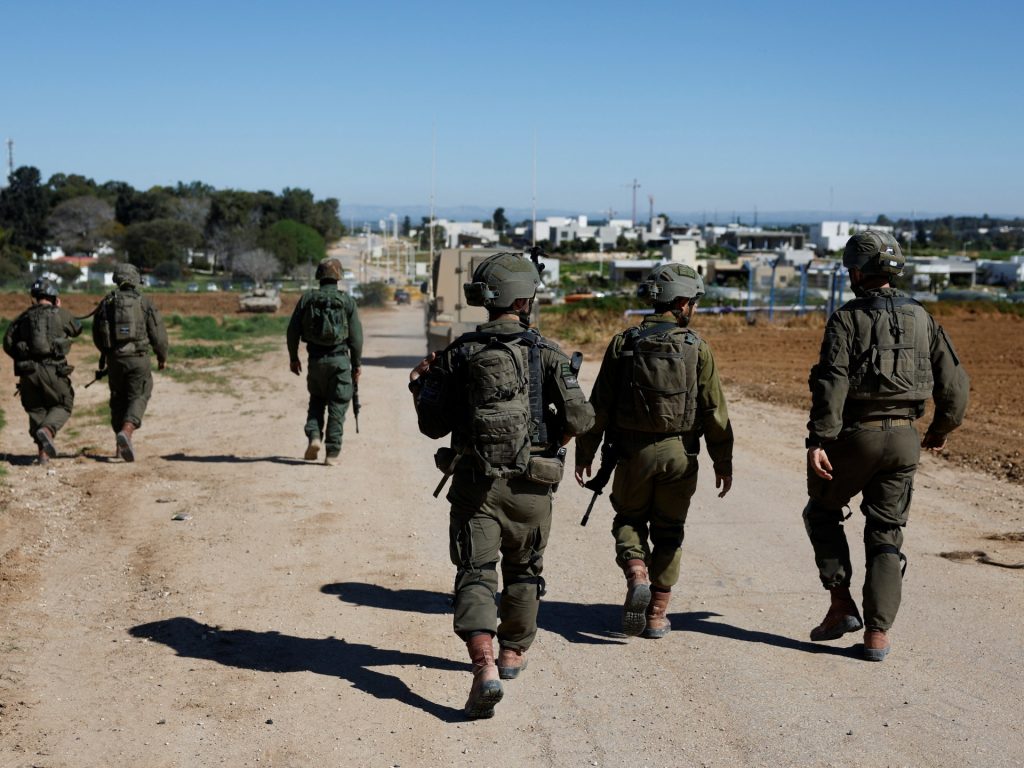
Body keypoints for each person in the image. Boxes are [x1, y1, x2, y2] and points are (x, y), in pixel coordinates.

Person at [409, 252, 594, 719]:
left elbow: (432, 426)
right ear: (525, 300)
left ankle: (484, 665)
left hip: (475, 485)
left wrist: (418, 385)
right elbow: (581, 417)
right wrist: (553, 444)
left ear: (484, 299)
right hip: (533, 487)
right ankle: (513, 653)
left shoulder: (458, 354)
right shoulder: (548, 353)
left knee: (475, 573)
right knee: (525, 569)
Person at [803, 230, 969, 661]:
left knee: (821, 512)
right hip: (906, 440)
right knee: (886, 534)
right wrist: (940, 430)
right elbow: (954, 384)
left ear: (858, 272)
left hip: (855, 436)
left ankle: (841, 605)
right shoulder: (923, 317)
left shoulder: (845, 318)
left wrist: (819, 439)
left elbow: (832, 382)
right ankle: (877, 636)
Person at [574, 263, 733, 640]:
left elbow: (599, 406)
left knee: (628, 519)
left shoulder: (624, 343)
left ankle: (636, 573)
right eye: (693, 302)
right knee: (670, 529)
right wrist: (722, 461)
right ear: (681, 303)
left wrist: (585, 452)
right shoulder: (697, 347)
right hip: (681, 455)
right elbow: (715, 411)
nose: (694, 309)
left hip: (632, 454)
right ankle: (658, 613)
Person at [286, 258, 362, 465]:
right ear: (339, 276)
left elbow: (292, 331)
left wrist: (293, 358)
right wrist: (356, 365)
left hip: (316, 361)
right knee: (338, 405)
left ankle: (314, 437)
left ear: (319, 275)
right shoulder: (347, 301)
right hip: (340, 362)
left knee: (317, 400)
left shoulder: (307, 299)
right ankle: (332, 453)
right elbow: (356, 339)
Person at [91, 263, 169, 462]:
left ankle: (119, 448)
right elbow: (158, 335)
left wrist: (107, 354)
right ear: (136, 279)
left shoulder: (107, 302)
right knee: (140, 394)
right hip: (138, 358)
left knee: (118, 400)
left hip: (115, 360)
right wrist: (162, 357)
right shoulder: (144, 302)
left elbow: (97, 335)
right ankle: (127, 431)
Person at [2, 278, 83, 464]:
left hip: (28, 372)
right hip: (53, 371)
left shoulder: (22, 318)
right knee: (63, 405)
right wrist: (59, 309)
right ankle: (48, 430)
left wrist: (22, 357)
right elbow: (77, 329)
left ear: (34, 298)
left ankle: (42, 455)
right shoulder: (60, 313)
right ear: (54, 297)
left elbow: (7, 343)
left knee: (36, 409)